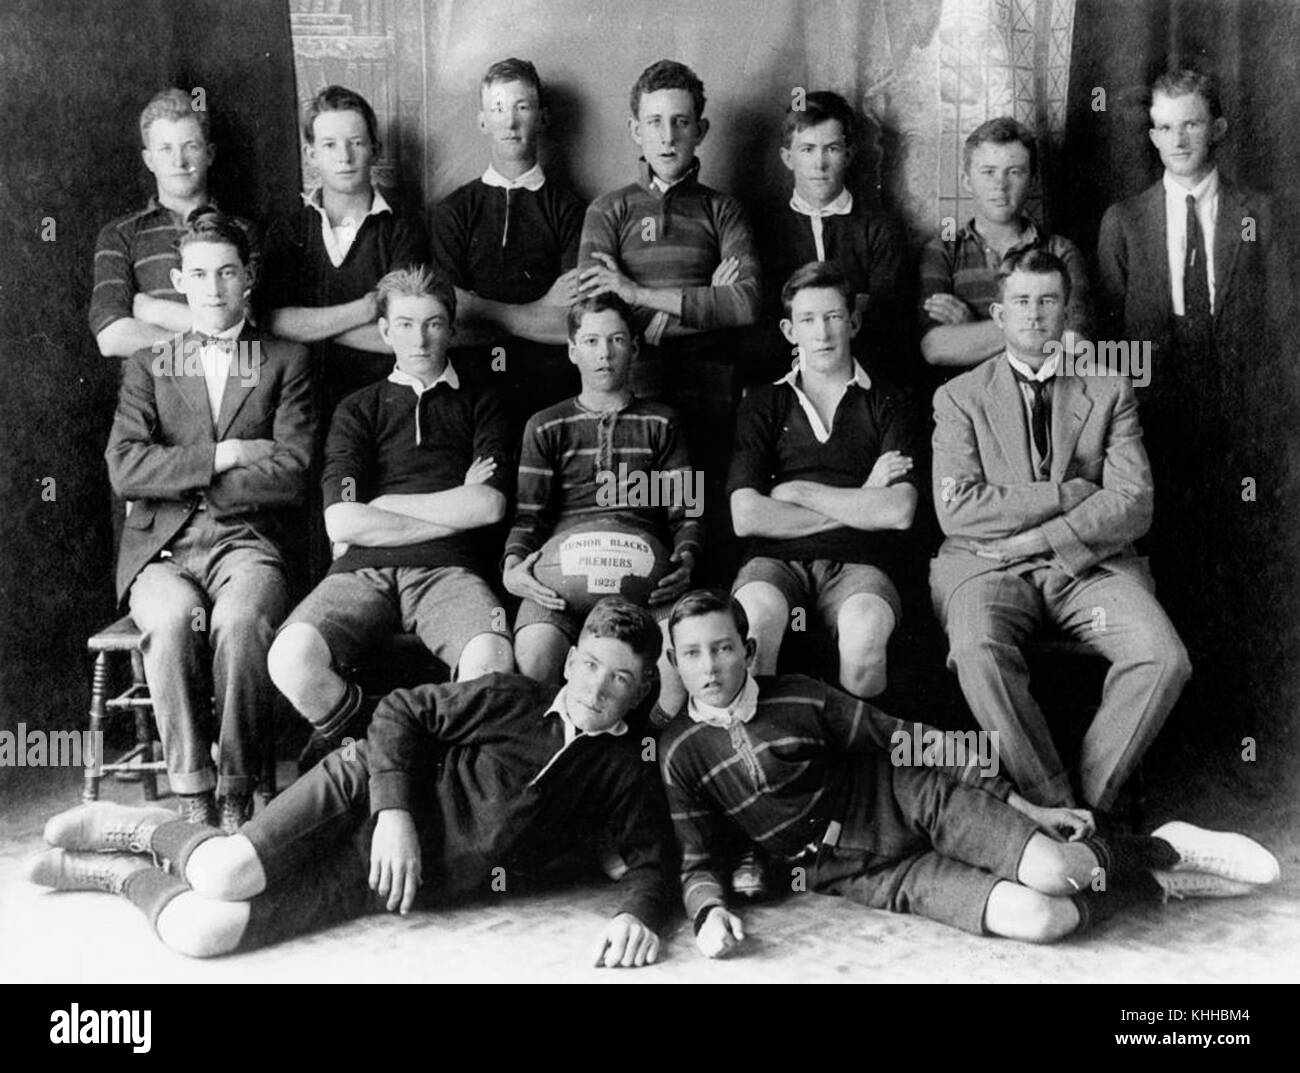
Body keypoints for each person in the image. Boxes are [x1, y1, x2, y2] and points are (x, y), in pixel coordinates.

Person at [28, 600, 674, 968]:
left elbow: (654, 857)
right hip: (364, 790)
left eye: (619, 678)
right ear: (570, 660)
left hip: (389, 878)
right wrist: (393, 810)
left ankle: (114, 874)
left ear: (642, 688)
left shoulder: (624, 770)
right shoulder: (512, 697)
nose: (596, 686)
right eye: (590, 665)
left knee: (201, 930)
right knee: (225, 874)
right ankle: (138, 828)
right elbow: (399, 711)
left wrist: (637, 913)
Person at [658, 589, 1279, 958]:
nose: (710, 666)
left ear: (747, 647)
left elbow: (913, 741)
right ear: (674, 661)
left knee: (1057, 871)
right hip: (870, 872)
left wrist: (1017, 802)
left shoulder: (800, 698)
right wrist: (709, 912)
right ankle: (1152, 883)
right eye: (692, 653)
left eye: (723, 647)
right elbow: (695, 859)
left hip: (912, 801)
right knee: (1046, 920)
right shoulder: (680, 752)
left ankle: (1165, 846)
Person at [930, 248, 1189, 813]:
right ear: (998, 315)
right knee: (976, 648)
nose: (1034, 314)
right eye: (1020, 301)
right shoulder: (958, 397)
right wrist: (1065, 493)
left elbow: (1134, 503)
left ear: (1067, 312)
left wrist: (1040, 538)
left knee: (1163, 658)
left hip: (1087, 565)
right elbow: (960, 511)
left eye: (1048, 301)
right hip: (988, 565)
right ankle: (1048, 801)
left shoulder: (1108, 388)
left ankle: (1088, 804)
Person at [1096, 69, 1295, 733]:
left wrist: (1270, 431)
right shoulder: (1124, 221)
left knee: (1244, 580)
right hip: (1154, 435)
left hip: (1245, 434)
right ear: (1149, 135)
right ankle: (1176, 738)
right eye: (1162, 125)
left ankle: (1245, 729)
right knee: (1169, 578)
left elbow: (1285, 329)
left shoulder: (1260, 214)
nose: (1175, 138)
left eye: (1189, 123)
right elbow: (1107, 341)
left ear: (1218, 128)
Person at [105, 212, 313, 830]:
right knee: (168, 624)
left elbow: (293, 470)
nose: (214, 287)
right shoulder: (149, 363)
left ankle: (235, 791)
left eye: (227, 272)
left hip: (247, 543)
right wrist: (224, 455)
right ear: (178, 280)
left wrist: (182, 478)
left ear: (247, 278)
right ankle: (191, 790)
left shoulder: (285, 359)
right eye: (199, 274)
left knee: (241, 622)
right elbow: (125, 467)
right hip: (163, 550)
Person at [267, 266, 514, 766]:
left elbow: (488, 505)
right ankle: (381, 742)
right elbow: (342, 523)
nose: (419, 339)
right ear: (384, 331)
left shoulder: (484, 400)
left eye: (433, 323)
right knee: (289, 658)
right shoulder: (357, 409)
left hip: (450, 568)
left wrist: (380, 506)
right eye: (404, 324)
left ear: (452, 328)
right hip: (361, 568)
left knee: (492, 661)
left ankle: (437, 770)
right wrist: (453, 505)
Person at [577, 59, 761, 572]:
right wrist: (703, 302)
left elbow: (745, 303)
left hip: (712, 399)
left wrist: (637, 294)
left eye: (681, 121)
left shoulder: (723, 210)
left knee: (701, 529)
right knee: (636, 529)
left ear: (700, 130)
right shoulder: (608, 211)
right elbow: (592, 316)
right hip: (632, 397)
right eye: (655, 122)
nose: (668, 135)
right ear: (636, 129)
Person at [502, 293, 700, 724]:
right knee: (535, 655)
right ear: (572, 350)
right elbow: (529, 516)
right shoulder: (545, 424)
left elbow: (686, 511)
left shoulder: (664, 422)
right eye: (590, 342)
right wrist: (514, 567)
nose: (604, 354)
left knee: (677, 670)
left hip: (646, 576)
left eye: (616, 340)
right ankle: (556, 749)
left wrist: (685, 561)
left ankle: (646, 750)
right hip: (561, 577)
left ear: (634, 346)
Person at [729, 263, 921, 702]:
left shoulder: (890, 401)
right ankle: (769, 761)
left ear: (852, 321)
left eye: (834, 317)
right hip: (774, 562)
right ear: (788, 329)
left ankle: (853, 764)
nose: (822, 332)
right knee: (756, 621)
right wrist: (863, 499)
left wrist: (796, 492)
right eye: (808, 320)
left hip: (862, 562)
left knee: (865, 636)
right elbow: (746, 516)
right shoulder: (763, 403)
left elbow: (898, 511)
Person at [430, 57, 587, 415]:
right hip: (467, 390)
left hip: (552, 388)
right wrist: (538, 309)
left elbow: (571, 323)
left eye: (522, 107)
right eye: (498, 108)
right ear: (482, 120)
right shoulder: (453, 211)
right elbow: (449, 320)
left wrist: (480, 307)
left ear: (543, 118)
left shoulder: (571, 209)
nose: (510, 121)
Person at [259, 84, 429, 410]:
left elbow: (403, 334)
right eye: (329, 144)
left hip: (387, 403)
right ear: (311, 155)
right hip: (302, 404)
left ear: (375, 150)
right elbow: (273, 323)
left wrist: (309, 328)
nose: (344, 157)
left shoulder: (403, 227)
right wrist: (363, 311)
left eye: (356, 143)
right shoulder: (288, 230)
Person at [918, 117, 1092, 382]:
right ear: (967, 181)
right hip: (966, 407)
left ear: (1032, 181)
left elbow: (1073, 345)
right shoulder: (943, 249)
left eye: (1014, 171)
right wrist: (1038, 326)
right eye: (988, 172)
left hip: (1046, 403)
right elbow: (936, 348)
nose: (1000, 184)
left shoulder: (1061, 251)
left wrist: (972, 329)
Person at [90, 88, 258, 359]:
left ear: (210, 154)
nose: (179, 161)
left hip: (234, 392)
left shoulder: (244, 231)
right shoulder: (120, 235)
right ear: (149, 160)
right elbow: (112, 337)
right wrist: (213, 345)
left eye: (190, 147)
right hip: (152, 394)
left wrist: (156, 311)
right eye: (165, 149)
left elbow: (250, 327)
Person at [758, 90, 909, 384]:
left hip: (865, 378)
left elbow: (886, 317)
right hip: (783, 379)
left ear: (849, 154)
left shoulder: (880, 227)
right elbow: (765, 317)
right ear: (788, 157)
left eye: (832, 149)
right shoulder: (766, 227)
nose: (820, 164)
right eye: (807, 149)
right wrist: (853, 304)